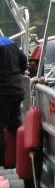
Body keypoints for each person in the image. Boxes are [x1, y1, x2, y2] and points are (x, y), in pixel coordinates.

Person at [0, 36, 27, 167]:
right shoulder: (9, 42)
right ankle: (24, 161)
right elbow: (24, 61)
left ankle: (1, 166)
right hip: (16, 91)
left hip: (3, 94)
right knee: (14, 126)